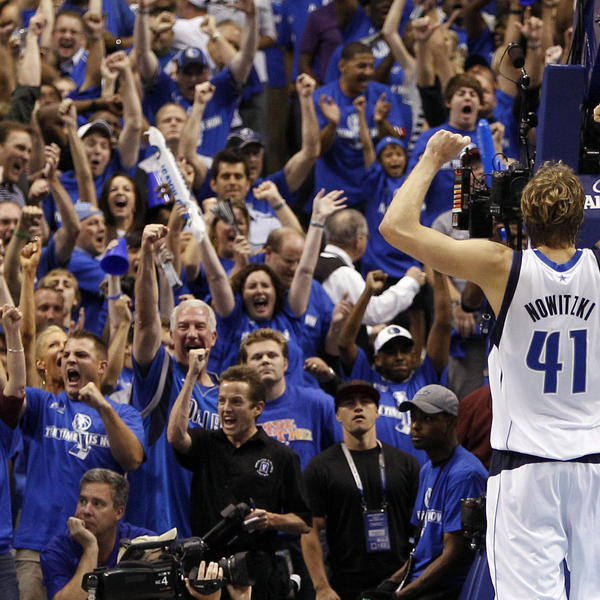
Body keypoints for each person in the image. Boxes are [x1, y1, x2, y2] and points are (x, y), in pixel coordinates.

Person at [379, 128, 600, 599]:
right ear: (581, 217)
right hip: (594, 468)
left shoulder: (502, 265)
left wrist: (432, 156)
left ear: (524, 215)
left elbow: (395, 227)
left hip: (526, 469)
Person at [0, 321, 145, 600]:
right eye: (65, 355)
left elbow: (132, 459)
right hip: (36, 545)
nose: (69, 360)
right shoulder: (43, 404)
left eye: (80, 355)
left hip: (96, 549)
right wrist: (12, 332)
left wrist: (102, 406)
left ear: (102, 366)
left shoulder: (124, 414)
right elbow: (12, 394)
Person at [167, 364, 310, 598]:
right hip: (206, 569)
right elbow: (175, 436)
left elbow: (303, 522)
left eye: (236, 402)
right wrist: (192, 376)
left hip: (255, 572)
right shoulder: (206, 443)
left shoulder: (281, 456)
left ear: (257, 408)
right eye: (221, 401)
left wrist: (270, 519)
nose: (226, 409)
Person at [127, 223, 220, 537]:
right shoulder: (158, 372)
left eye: (199, 327)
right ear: (171, 333)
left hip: (208, 527)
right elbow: (145, 319)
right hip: (155, 524)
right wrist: (147, 254)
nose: (191, 334)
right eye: (183, 327)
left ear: (214, 337)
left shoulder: (226, 393)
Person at [301, 380, 420, 600]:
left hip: (400, 582)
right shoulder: (320, 467)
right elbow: (310, 531)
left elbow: (422, 530)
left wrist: (407, 576)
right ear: (338, 415)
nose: (358, 407)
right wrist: (321, 587)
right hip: (344, 585)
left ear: (377, 411)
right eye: (349, 403)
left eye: (365, 402)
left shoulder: (406, 463)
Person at [383, 384, 488, 599]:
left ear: (451, 422)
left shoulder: (466, 474)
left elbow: (454, 556)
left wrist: (401, 595)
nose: (415, 426)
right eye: (413, 418)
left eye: (427, 418)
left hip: (448, 588)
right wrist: (391, 582)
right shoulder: (426, 470)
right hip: (421, 582)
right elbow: (422, 547)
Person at [337, 270, 451, 463]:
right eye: (390, 352)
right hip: (378, 473)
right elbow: (344, 344)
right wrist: (367, 293)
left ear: (414, 355)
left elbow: (443, 323)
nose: (399, 357)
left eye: (405, 351)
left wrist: (439, 272)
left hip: (423, 474)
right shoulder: (366, 380)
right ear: (378, 358)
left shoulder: (427, 378)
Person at [313, 41, 409, 207]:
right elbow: (316, 150)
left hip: (374, 191)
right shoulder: (323, 98)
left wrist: (381, 122)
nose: (369, 72)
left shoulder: (382, 94)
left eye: (371, 66)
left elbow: (399, 139)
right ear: (342, 66)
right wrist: (332, 124)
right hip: (334, 192)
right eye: (362, 66)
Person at [40, 469, 154, 600]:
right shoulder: (57, 550)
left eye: (97, 504)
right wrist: (90, 548)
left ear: (119, 512)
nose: (86, 511)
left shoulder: (138, 541)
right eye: (83, 501)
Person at [239, 328, 338, 469]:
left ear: (285, 363)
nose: (265, 361)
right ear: (244, 366)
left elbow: (342, 455)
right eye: (257, 357)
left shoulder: (318, 403)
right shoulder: (238, 413)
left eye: (272, 355)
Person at [315, 208, 425, 325]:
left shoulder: (314, 262)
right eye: (367, 237)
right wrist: (410, 282)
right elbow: (373, 312)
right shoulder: (343, 273)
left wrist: (370, 331)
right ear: (359, 241)